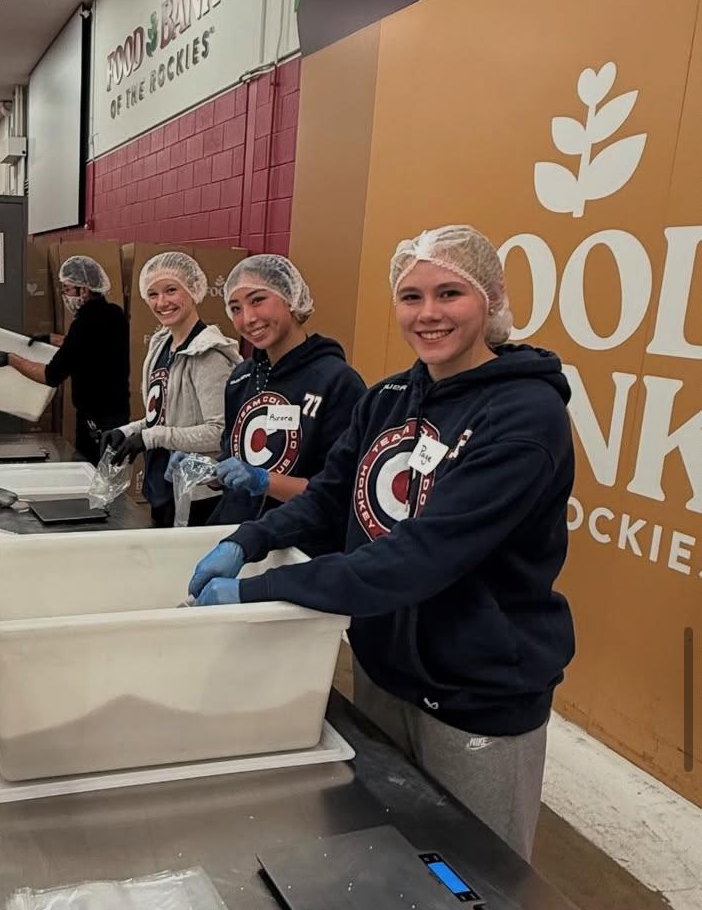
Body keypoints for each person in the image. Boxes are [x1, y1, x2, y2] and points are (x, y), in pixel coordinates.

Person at [187, 226, 576, 861]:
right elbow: (330, 494)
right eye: (410, 296)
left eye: (449, 293)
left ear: (491, 298)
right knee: (390, 854)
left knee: (479, 872)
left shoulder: (525, 416)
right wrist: (252, 537)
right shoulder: (390, 398)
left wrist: (262, 589)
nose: (428, 314)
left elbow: (418, 558)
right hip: (383, 663)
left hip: (476, 689)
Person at [178, 255, 365, 525]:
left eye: (257, 300)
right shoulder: (241, 378)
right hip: (231, 529)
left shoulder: (337, 382)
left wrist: (267, 482)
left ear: (291, 299)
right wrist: (209, 471)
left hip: (295, 538)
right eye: (236, 308)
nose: (248, 318)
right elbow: (235, 454)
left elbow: (339, 490)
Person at [98, 252, 239, 527]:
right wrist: (128, 431)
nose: (161, 302)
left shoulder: (209, 355)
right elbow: (164, 416)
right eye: (153, 294)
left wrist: (150, 438)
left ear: (193, 290)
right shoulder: (163, 344)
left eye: (171, 290)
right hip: (161, 486)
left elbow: (219, 432)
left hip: (196, 496)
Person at [0, 255, 130, 463]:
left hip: (95, 420)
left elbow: (50, 376)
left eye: (67, 289)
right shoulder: (115, 314)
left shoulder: (84, 323)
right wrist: (51, 339)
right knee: (113, 471)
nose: (65, 295)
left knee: (94, 472)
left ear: (84, 290)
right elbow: (91, 347)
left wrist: (10, 359)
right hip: (119, 414)